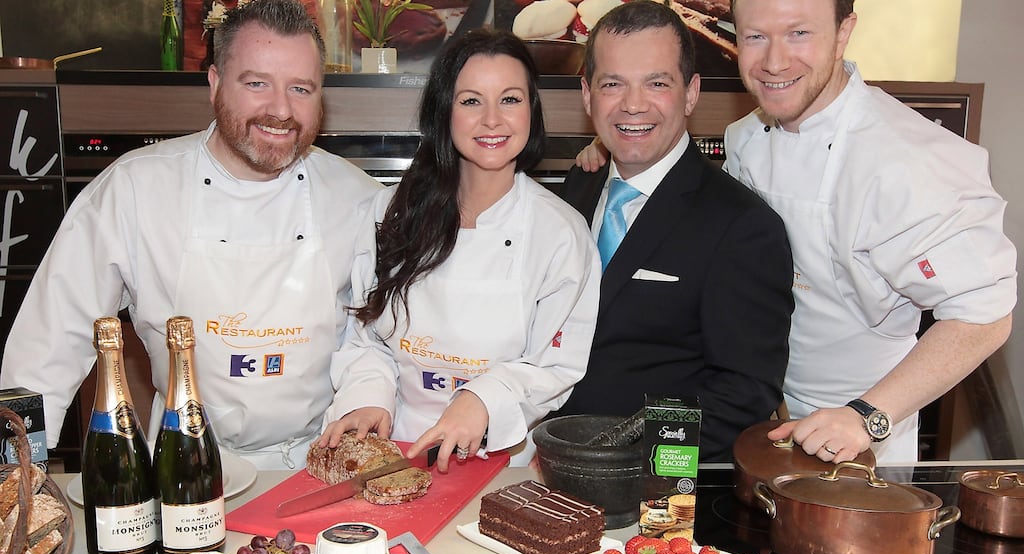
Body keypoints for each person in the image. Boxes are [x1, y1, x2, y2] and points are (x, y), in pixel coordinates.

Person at [0, 0, 382, 469]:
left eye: (300, 88)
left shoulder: (358, 198)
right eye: (256, 83)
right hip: (181, 466)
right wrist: (14, 473)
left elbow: (375, 342)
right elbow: (46, 348)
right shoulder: (135, 189)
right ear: (215, 83)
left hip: (318, 464)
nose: (281, 109)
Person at [725, 0, 1016, 463]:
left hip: (865, 429)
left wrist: (867, 415)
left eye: (799, 33)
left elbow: (985, 315)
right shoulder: (745, 138)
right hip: (765, 415)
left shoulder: (908, 160)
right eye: (755, 36)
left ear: (844, 32)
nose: (774, 62)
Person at [317, 29, 601, 471]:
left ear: (531, 110)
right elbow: (366, 338)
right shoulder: (391, 211)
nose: (492, 120)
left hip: (498, 461)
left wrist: (483, 398)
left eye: (510, 99)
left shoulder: (561, 233)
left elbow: (556, 367)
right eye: (471, 101)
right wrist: (366, 398)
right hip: (394, 452)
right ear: (444, 111)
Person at [554, 0, 795, 463]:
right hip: (549, 461)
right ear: (587, 95)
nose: (633, 104)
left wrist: (624, 457)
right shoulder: (579, 185)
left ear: (690, 93)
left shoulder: (743, 226)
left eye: (657, 83)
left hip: (655, 485)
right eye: (612, 84)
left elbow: (743, 394)